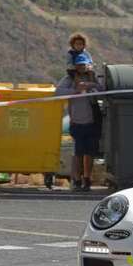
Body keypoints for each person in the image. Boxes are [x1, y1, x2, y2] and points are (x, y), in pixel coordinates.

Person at [56, 53, 102, 191]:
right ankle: (76, 179)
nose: (82, 67)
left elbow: (103, 90)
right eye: (79, 65)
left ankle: (87, 179)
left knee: (90, 153)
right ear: (75, 66)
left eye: (84, 64)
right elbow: (58, 92)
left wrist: (90, 85)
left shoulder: (93, 77)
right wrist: (75, 91)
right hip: (76, 121)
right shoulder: (69, 79)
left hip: (92, 121)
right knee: (77, 153)